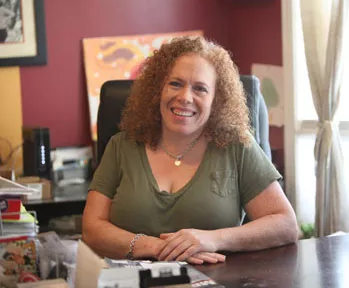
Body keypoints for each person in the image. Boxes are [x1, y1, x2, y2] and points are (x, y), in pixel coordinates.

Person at [82, 36, 299, 265]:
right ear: (158, 90)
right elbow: (92, 228)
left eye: (200, 89)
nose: (185, 97)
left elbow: (285, 225)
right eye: (175, 84)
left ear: (217, 99)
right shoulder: (122, 146)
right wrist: (157, 247)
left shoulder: (238, 146)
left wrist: (211, 239)